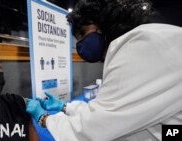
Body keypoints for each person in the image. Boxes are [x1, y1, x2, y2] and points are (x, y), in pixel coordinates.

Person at [26, 0, 182, 140]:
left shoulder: (138, 44)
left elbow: (98, 127)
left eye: (82, 34)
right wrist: (65, 107)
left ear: (102, 23)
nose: (80, 44)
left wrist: (44, 118)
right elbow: (112, 108)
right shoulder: (145, 38)